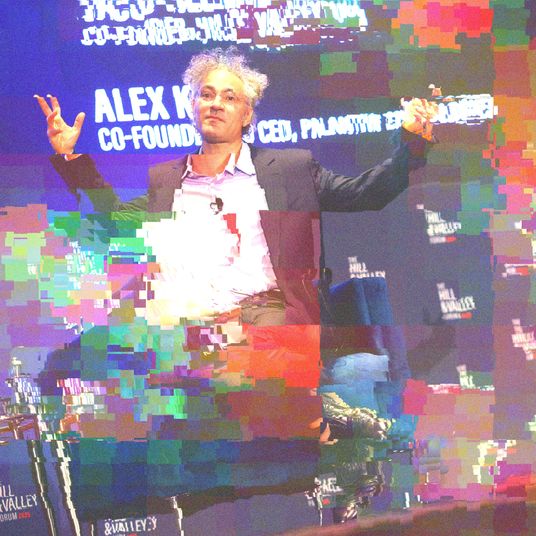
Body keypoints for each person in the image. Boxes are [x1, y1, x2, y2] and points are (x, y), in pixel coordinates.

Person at [35, 47, 438, 329]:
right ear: (193, 107)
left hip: (265, 319)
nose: (215, 103)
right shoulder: (167, 181)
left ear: (247, 114)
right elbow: (113, 223)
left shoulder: (291, 170)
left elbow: (366, 193)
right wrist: (70, 158)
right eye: (206, 95)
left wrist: (412, 145)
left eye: (229, 98)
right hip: (188, 326)